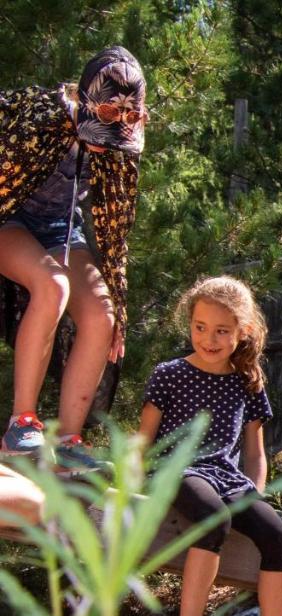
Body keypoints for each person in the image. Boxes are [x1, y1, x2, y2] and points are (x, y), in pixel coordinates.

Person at [139, 276, 282, 616]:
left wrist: (254, 496)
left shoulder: (247, 383)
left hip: (227, 477)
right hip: (176, 469)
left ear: (243, 333)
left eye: (221, 330)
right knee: (214, 519)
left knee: (277, 537)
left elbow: (255, 455)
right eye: (200, 327)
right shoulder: (169, 375)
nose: (209, 338)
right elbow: (143, 443)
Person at [0, 47, 146, 467]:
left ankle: (68, 442)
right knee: (53, 285)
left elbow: (116, 231)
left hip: (62, 230)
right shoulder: (39, 115)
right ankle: (20, 425)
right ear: (82, 102)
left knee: (102, 315)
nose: (106, 146)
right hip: (9, 218)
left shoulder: (121, 150)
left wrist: (119, 300)